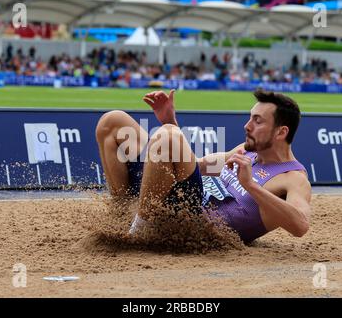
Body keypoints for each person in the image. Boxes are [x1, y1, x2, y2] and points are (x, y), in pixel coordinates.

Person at [95, 88, 312, 244]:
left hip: (196, 223)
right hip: (177, 199)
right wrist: (170, 123)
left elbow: (300, 226)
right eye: (250, 118)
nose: (247, 126)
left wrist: (250, 185)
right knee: (113, 121)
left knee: (169, 136)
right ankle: (123, 214)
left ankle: (138, 233)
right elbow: (196, 165)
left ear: (281, 132)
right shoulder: (245, 151)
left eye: (258, 121)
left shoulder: (293, 178)